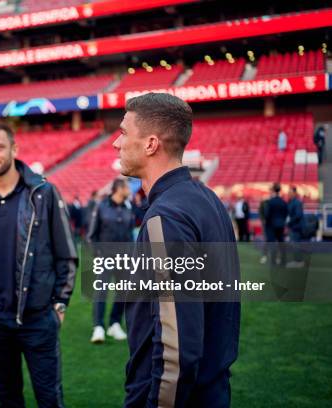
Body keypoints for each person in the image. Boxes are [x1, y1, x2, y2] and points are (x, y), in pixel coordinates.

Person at [112, 93, 240, 407]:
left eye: (124, 132)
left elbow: (176, 346)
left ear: (151, 144)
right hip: (212, 390)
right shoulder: (207, 199)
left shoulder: (166, 217)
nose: (116, 142)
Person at [0, 123, 77, 407]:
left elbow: (67, 253)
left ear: (14, 149)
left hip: (37, 318)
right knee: (8, 398)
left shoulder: (43, 193)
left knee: (50, 399)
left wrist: (59, 304)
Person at [87, 178, 133, 344]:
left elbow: (129, 235)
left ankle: (114, 323)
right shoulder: (101, 207)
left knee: (122, 292)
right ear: (119, 189)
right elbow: (92, 235)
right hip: (105, 257)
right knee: (101, 292)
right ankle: (98, 326)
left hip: (125, 259)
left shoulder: (129, 206)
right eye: (127, 187)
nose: (129, 189)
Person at [264, 183, 288, 266]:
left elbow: (267, 215)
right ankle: (283, 261)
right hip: (281, 225)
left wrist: (266, 223)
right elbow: (286, 214)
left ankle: (273, 261)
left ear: (273, 190)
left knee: (272, 244)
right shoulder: (283, 202)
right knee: (281, 244)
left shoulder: (270, 202)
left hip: (271, 226)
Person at [286, 186, 305, 267]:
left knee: (296, 244)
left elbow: (298, 215)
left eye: (290, 192)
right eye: (288, 192)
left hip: (296, 227)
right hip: (292, 226)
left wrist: (289, 221)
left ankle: (298, 261)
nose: (288, 194)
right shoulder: (291, 202)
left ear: (294, 193)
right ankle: (297, 260)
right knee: (294, 244)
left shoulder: (297, 202)